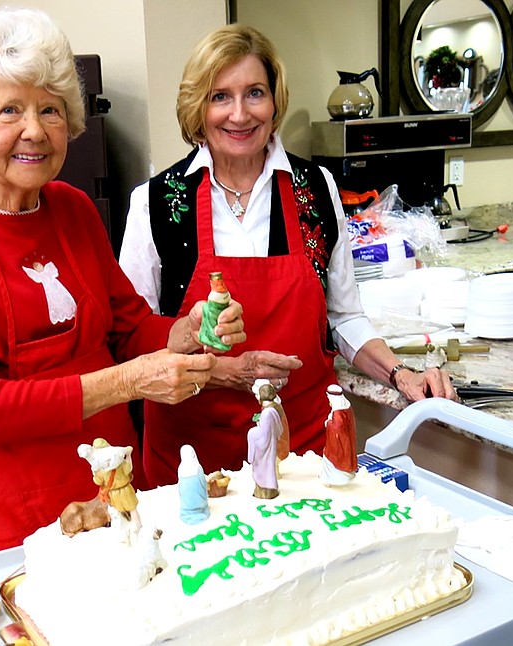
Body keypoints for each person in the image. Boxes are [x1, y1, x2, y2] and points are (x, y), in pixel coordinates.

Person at [0, 8, 245, 564]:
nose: (35, 130)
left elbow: (127, 327)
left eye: (50, 109)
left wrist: (183, 332)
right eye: (9, 110)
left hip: (108, 477)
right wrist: (127, 383)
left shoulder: (72, 209)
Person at [119, 24, 455, 487]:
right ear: (198, 105)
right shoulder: (157, 202)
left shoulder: (316, 189)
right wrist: (224, 372)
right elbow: (132, 337)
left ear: (274, 101)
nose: (239, 114)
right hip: (192, 463)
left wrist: (400, 373)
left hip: (305, 457)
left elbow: (344, 317)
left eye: (254, 93)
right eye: (220, 96)